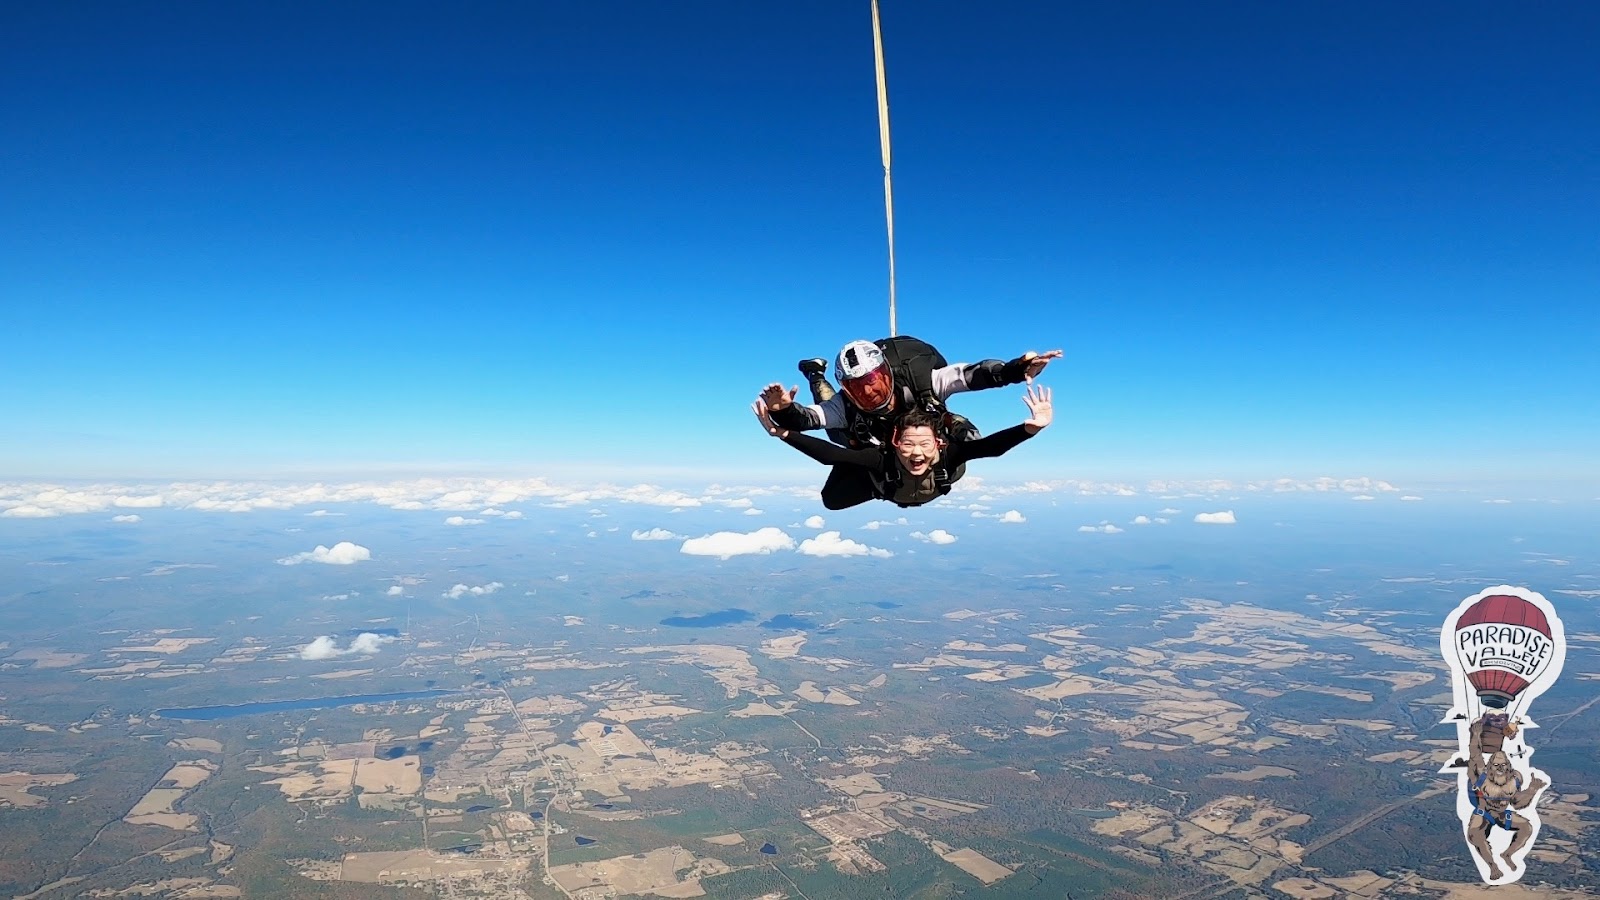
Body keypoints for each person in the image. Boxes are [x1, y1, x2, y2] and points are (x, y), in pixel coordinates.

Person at [753, 380, 1053, 510]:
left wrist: (1031, 428)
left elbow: (991, 447)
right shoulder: (882, 459)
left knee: (971, 440)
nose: (918, 453)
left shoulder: (950, 454)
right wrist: (781, 433)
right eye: (908, 445)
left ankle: (951, 421)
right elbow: (831, 455)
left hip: (913, 473)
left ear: (938, 442)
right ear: (896, 443)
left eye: (925, 444)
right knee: (838, 447)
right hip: (876, 472)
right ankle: (816, 376)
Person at [776, 338, 1062, 450]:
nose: (869, 390)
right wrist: (783, 411)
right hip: (866, 435)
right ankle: (815, 373)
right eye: (856, 385)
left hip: (922, 423)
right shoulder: (844, 405)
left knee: (964, 432)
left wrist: (1014, 370)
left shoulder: (923, 381)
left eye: (873, 378)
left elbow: (972, 374)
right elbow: (809, 418)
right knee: (839, 428)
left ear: (887, 372)